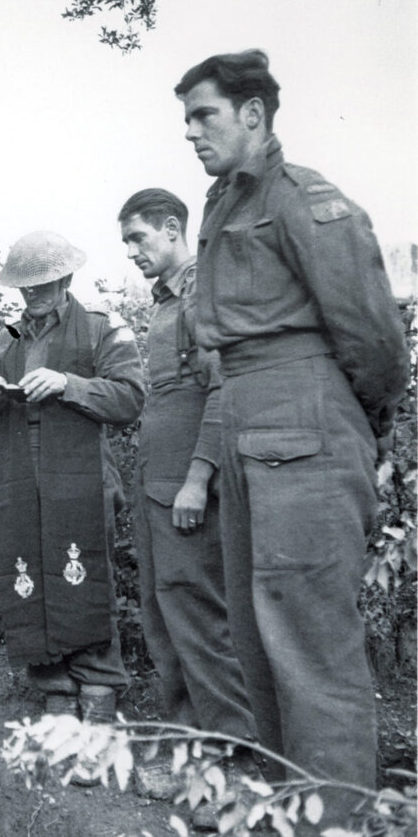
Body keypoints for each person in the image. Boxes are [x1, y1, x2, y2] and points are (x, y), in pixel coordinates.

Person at [175, 50, 409, 806]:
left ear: (253, 113)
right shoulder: (225, 204)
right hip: (247, 416)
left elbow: (374, 341)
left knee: (310, 648)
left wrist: (353, 430)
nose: (191, 132)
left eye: (203, 114)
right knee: (258, 641)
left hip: (303, 420)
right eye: (186, 120)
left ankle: (335, 822)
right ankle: (289, 814)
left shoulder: (305, 200)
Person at [0, 231, 144, 725]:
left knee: (85, 571)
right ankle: (55, 690)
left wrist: (69, 384)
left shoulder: (99, 330)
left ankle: (100, 691)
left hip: (81, 475)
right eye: (24, 288)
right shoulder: (9, 339)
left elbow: (131, 398)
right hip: (21, 474)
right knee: (32, 573)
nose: (32, 296)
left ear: (66, 278)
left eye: (42, 285)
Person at [118, 188, 254, 742]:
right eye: (126, 241)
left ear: (173, 228)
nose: (130, 251)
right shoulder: (167, 302)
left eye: (138, 237)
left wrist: (199, 479)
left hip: (187, 490)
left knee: (199, 621)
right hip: (158, 487)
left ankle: (233, 754)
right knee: (163, 616)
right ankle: (189, 745)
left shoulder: (202, 292)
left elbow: (225, 392)